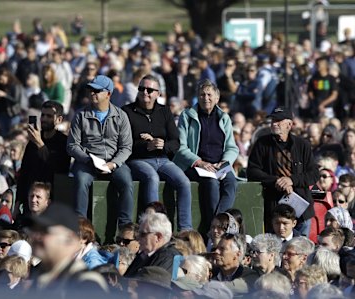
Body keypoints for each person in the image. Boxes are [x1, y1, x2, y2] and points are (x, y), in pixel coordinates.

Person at [123, 74, 192, 231]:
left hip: (163, 159)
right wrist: (146, 146)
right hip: (138, 159)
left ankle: (185, 230)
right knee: (152, 177)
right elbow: (123, 143)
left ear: (158, 94)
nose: (145, 92)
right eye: (141, 88)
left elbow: (176, 142)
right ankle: (153, 228)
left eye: (149, 89)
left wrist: (162, 145)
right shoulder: (127, 111)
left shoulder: (165, 111)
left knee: (184, 182)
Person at [173, 79, 239, 234]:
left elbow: (232, 147)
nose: (206, 98)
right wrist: (200, 162)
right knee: (211, 184)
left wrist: (224, 162)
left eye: (209, 94)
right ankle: (218, 228)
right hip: (196, 165)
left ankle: (217, 224)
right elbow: (181, 147)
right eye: (202, 94)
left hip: (218, 164)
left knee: (231, 182)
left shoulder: (224, 118)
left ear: (217, 98)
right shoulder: (187, 116)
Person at [67, 75, 134, 226]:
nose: (92, 93)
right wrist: (88, 160)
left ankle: (125, 226)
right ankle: (80, 225)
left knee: (126, 182)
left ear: (108, 94)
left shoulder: (121, 116)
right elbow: (72, 145)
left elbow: (126, 147)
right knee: (81, 180)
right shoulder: (80, 115)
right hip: (87, 161)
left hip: (113, 161)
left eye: (96, 91)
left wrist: (113, 164)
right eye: (91, 90)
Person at [247, 107, 319, 236]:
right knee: (275, 248)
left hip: (300, 207)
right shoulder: (262, 144)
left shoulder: (302, 145)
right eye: (273, 120)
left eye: (279, 120)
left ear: (289, 124)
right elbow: (252, 171)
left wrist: (291, 180)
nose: (274, 123)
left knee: (300, 249)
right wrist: (276, 181)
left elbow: (313, 174)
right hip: (274, 207)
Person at [28, 202, 108, 292]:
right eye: (34, 230)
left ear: (69, 240)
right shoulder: (40, 279)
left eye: (45, 231)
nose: (36, 236)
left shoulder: (86, 285)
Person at [16, 101, 70, 215]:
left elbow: (58, 168)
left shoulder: (64, 142)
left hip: (51, 202)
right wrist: (17, 202)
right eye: (43, 115)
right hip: (30, 201)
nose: (44, 119)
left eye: (49, 116)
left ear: (59, 120)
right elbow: (24, 172)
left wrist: (40, 143)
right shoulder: (33, 141)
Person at [123, 212, 180, 276]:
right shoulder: (144, 254)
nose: (138, 237)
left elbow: (150, 284)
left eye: (143, 234)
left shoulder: (167, 258)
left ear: (158, 237)